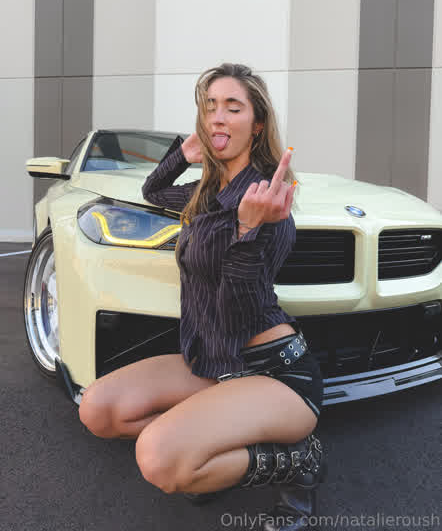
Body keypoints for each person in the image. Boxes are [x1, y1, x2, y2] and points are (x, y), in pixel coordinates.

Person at [78, 63, 326, 531]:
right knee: (98, 410)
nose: (217, 117)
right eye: (209, 106)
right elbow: (154, 190)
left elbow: (240, 309)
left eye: (233, 107)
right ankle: (211, 445)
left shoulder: (269, 205)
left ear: (257, 124)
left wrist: (248, 230)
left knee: (159, 459)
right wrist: (183, 155)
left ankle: (300, 462)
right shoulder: (207, 193)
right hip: (212, 363)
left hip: (274, 373)